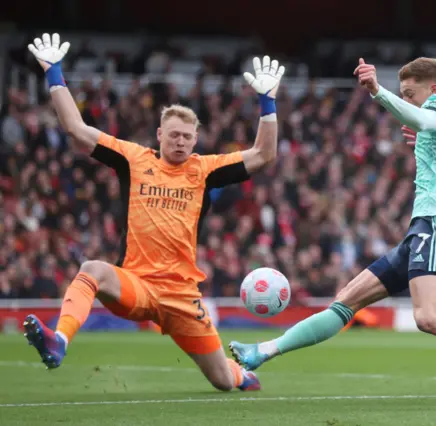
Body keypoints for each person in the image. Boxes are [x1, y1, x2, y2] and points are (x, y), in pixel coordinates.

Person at [230, 57, 436, 406]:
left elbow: (421, 117)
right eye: (401, 94)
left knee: (430, 316)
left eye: (409, 94)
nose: (406, 100)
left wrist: (378, 92)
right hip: (423, 229)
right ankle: (261, 352)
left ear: (433, 90)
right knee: (346, 301)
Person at [23, 33, 285, 392]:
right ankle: (59, 340)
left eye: (186, 137)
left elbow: (263, 155)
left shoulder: (204, 169)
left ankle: (241, 375)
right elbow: (77, 129)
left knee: (222, 380)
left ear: (195, 140)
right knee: (93, 270)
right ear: (159, 134)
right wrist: (54, 73)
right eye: (174, 134)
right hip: (137, 285)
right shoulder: (133, 159)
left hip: (181, 296)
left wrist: (267, 103)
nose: (180, 141)